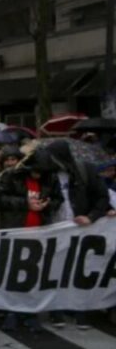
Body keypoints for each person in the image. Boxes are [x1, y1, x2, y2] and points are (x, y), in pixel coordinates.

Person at [0, 148, 62, 332]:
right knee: (12, 273)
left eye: (42, 173)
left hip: (39, 233)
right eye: (35, 171)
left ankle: (30, 313)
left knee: (33, 275)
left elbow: (58, 199)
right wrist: (25, 203)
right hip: (16, 231)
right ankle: (11, 311)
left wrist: (48, 205)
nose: (38, 175)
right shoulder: (10, 175)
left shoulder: (51, 178)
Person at [46, 140, 110, 330]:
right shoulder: (48, 175)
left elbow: (102, 197)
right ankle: (56, 311)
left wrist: (91, 217)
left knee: (79, 272)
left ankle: (80, 311)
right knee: (54, 271)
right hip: (55, 229)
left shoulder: (85, 171)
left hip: (80, 231)